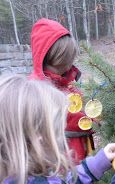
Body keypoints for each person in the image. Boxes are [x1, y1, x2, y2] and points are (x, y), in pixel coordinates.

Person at [30, 18, 94, 163]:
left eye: (70, 60)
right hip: (58, 158)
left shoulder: (66, 80)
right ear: (48, 58)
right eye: (65, 61)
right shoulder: (36, 89)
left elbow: (78, 102)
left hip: (79, 153)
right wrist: (88, 117)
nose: (68, 66)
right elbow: (60, 118)